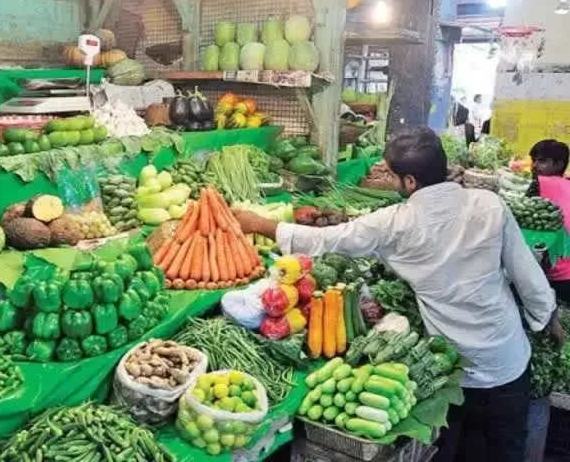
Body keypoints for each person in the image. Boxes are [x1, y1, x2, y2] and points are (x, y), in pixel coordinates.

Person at [232, 126, 563, 462]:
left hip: (450, 371)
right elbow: (527, 274)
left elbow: (329, 239)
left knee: (448, 449)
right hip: (505, 360)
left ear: (410, 183)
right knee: (505, 450)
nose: (386, 179)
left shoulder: (395, 223)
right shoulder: (489, 205)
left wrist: (259, 224)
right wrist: (546, 318)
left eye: (389, 174)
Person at [527, 139, 570, 302]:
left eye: (542, 161)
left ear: (559, 164)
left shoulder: (539, 183)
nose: (535, 166)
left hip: (558, 278)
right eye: (534, 160)